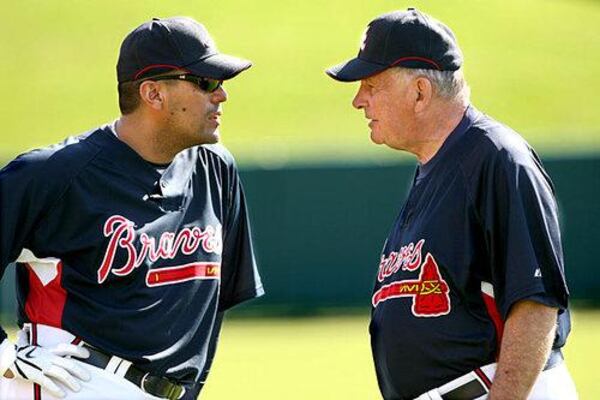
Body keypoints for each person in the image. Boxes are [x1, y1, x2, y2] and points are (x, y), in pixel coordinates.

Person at [0, 16, 264, 400]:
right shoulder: (55, 174)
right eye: (206, 82)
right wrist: (4, 354)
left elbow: (211, 309)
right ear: (153, 94)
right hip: (73, 384)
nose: (221, 95)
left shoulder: (216, 170)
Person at [326, 8, 577, 400]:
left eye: (371, 85)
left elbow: (535, 303)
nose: (359, 100)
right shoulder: (434, 168)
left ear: (420, 92)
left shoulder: (496, 159)